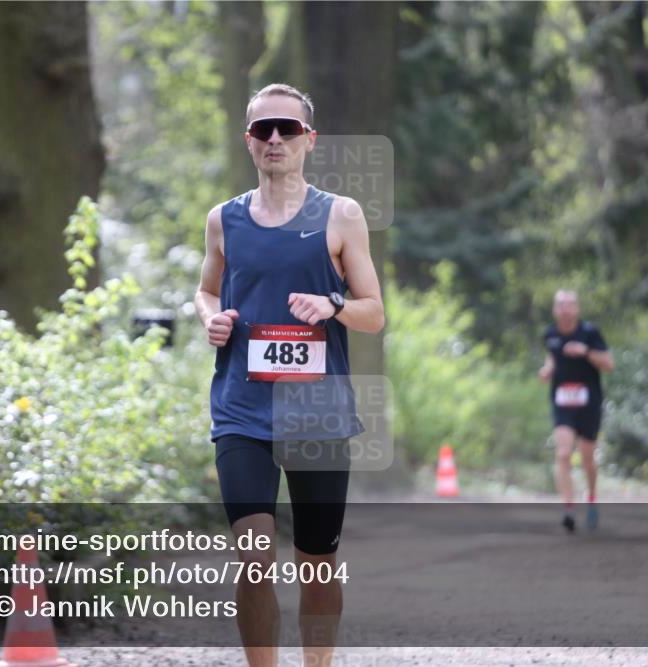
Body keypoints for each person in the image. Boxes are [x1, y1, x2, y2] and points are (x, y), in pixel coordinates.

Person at [194, 83, 384, 667]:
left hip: (318, 415)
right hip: (242, 411)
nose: (275, 138)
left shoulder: (341, 215)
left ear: (309, 140)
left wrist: (333, 308)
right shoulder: (222, 220)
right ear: (248, 140)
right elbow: (204, 290)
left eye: (287, 128)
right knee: (254, 556)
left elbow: (373, 313)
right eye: (262, 129)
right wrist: (212, 318)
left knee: (316, 561)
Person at [538, 290, 614, 533]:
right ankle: (568, 509)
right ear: (554, 309)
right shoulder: (550, 334)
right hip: (562, 402)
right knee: (562, 453)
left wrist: (586, 352)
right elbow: (552, 358)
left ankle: (591, 497)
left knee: (587, 457)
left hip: (589, 403)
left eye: (570, 304)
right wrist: (547, 370)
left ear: (577, 309)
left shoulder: (590, 333)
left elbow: (609, 365)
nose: (565, 309)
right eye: (561, 305)